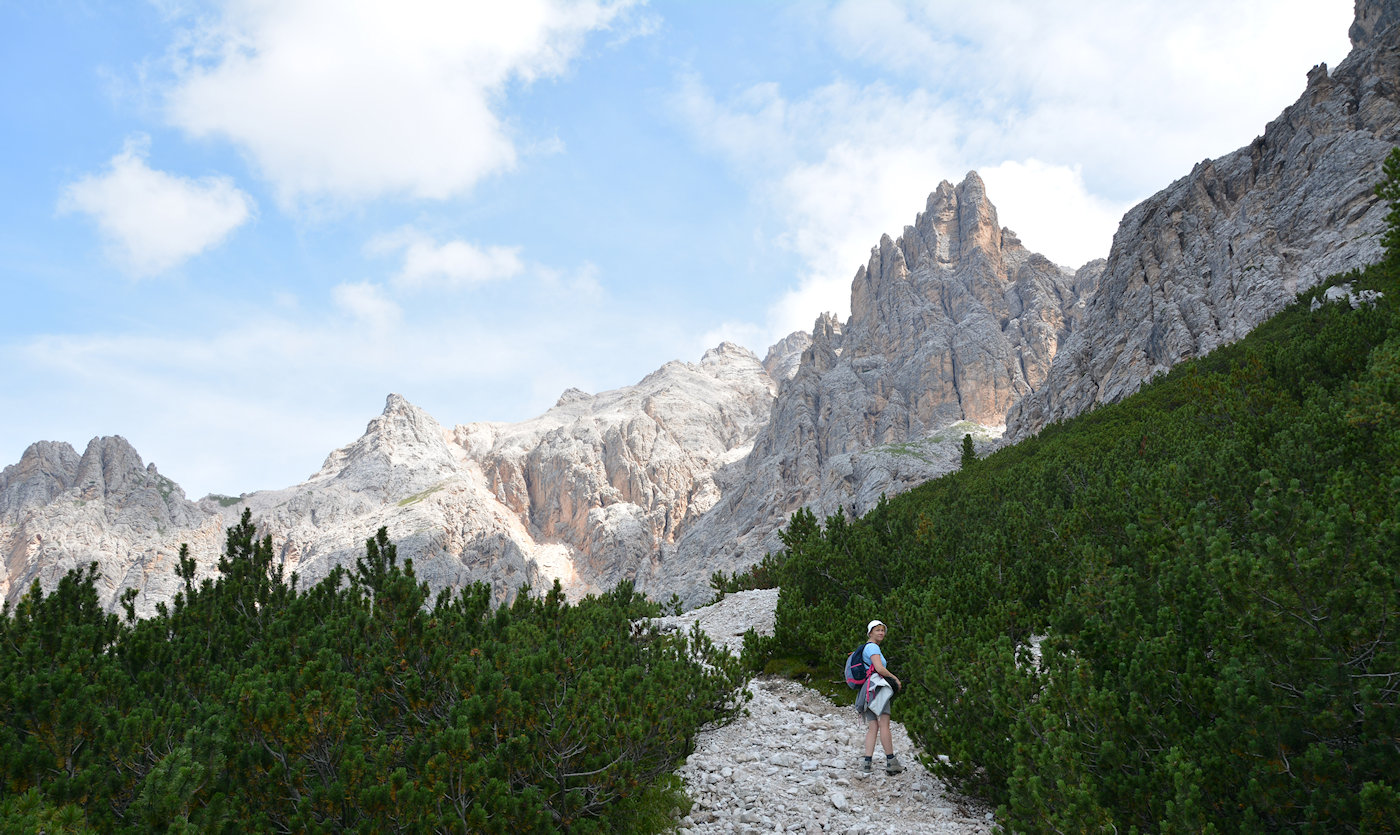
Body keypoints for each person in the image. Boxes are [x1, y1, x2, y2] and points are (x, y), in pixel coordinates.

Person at [854, 619, 904, 774]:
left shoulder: (866, 648)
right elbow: (879, 668)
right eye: (878, 630)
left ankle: (867, 763)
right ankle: (891, 762)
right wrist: (895, 679)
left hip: (867, 690)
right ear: (870, 633)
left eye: (882, 630)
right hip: (877, 688)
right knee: (884, 724)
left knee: (873, 726)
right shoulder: (873, 647)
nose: (881, 633)